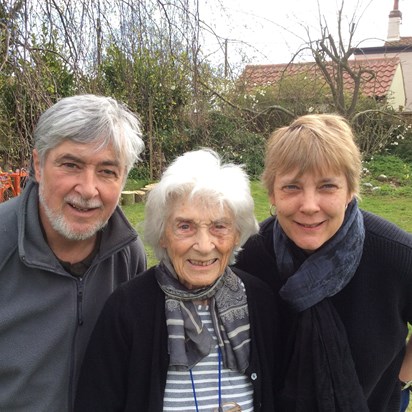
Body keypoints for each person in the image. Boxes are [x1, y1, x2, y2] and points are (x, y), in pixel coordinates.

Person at [74, 149, 280, 411]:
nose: (204, 246)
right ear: (162, 234)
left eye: (219, 226)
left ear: (237, 234)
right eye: (185, 226)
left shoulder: (259, 301)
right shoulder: (127, 309)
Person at [234, 113, 412, 412]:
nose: (309, 206)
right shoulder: (249, 256)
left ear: (350, 191)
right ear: (272, 193)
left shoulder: (394, 254)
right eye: (291, 187)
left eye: (328, 186)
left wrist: (400, 379)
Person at [0, 94, 147, 411]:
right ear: (38, 165)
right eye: (71, 165)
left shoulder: (128, 255)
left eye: (107, 171)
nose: (87, 189)